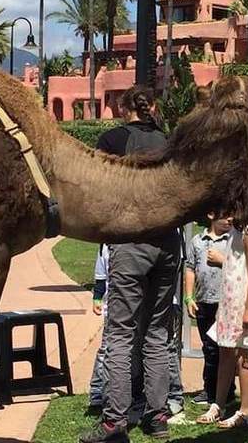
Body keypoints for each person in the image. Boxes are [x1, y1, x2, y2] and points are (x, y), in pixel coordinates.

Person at [81, 86, 181, 443]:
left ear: (125, 109)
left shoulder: (111, 139)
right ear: (152, 107)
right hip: (169, 242)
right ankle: (157, 418)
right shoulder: (170, 142)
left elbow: (96, 188)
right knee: (157, 335)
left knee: (121, 334)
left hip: (130, 240)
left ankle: (114, 423)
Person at [196, 224, 248, 429]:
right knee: (225, 351)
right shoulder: (234, 232)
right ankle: (218, 404)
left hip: (244, 301)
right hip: (230, 300)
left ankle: (246, 410)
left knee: (244, 354)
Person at [184, 212, 236, 407]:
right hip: (203, 302)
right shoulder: (197, 241)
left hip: (225, 303)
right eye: (226, 215)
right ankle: (210, 388)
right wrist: (189, 297)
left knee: (225, 349)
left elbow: (243, 266)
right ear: (212, 215)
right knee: (209, 348)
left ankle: (226, 391)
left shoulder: (232, 240)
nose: (230, 219)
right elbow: (190, 268)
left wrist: (223, 260)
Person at [88, 244, 111, 411]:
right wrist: (97, 297)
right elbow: (101, 275)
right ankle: (96, 392)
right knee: (105, 349)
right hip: (112, 307)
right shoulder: (105, 245)